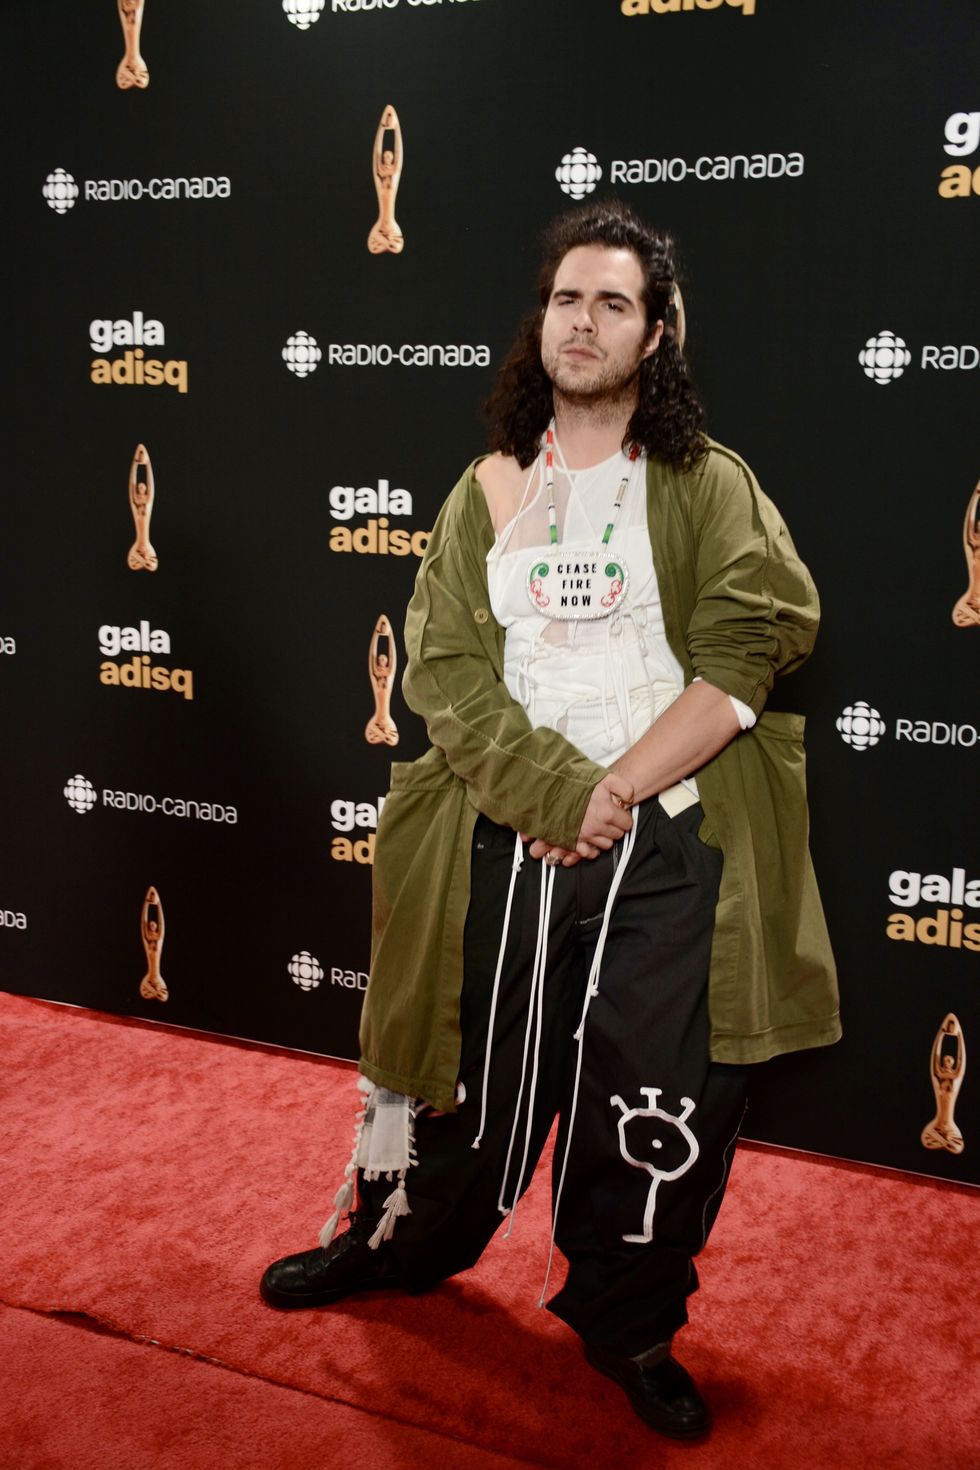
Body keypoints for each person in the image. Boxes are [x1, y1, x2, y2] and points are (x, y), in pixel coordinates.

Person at [261, 200, 840, 1440]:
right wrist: (547, 795)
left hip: (672, 840)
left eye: (613, 303)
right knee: (460, 1080)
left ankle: (628, 1322)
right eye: (566, 298)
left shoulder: (701, 482)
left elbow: (750, 651)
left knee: (654, 1099)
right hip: (505, 837)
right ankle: (395, 1247)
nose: (583, 322)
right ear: (542, 321)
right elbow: (445, 669)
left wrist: (612, 790)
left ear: (656, 332)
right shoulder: (485, 489)